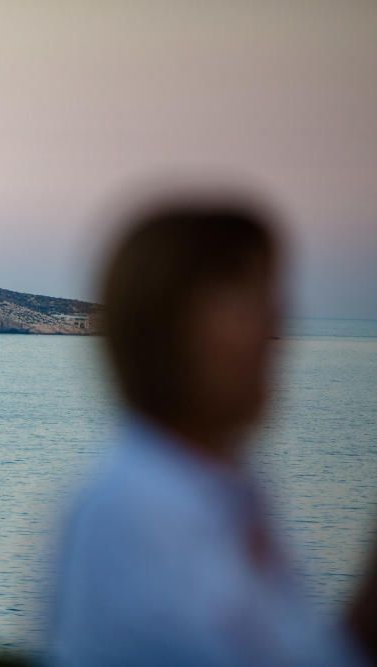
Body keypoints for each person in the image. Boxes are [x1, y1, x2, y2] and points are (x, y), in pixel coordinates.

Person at [49, 198, 375, 666]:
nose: (276, 323)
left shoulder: (232, 495)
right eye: (247, 301)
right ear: (169, 330)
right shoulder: (133, 510)